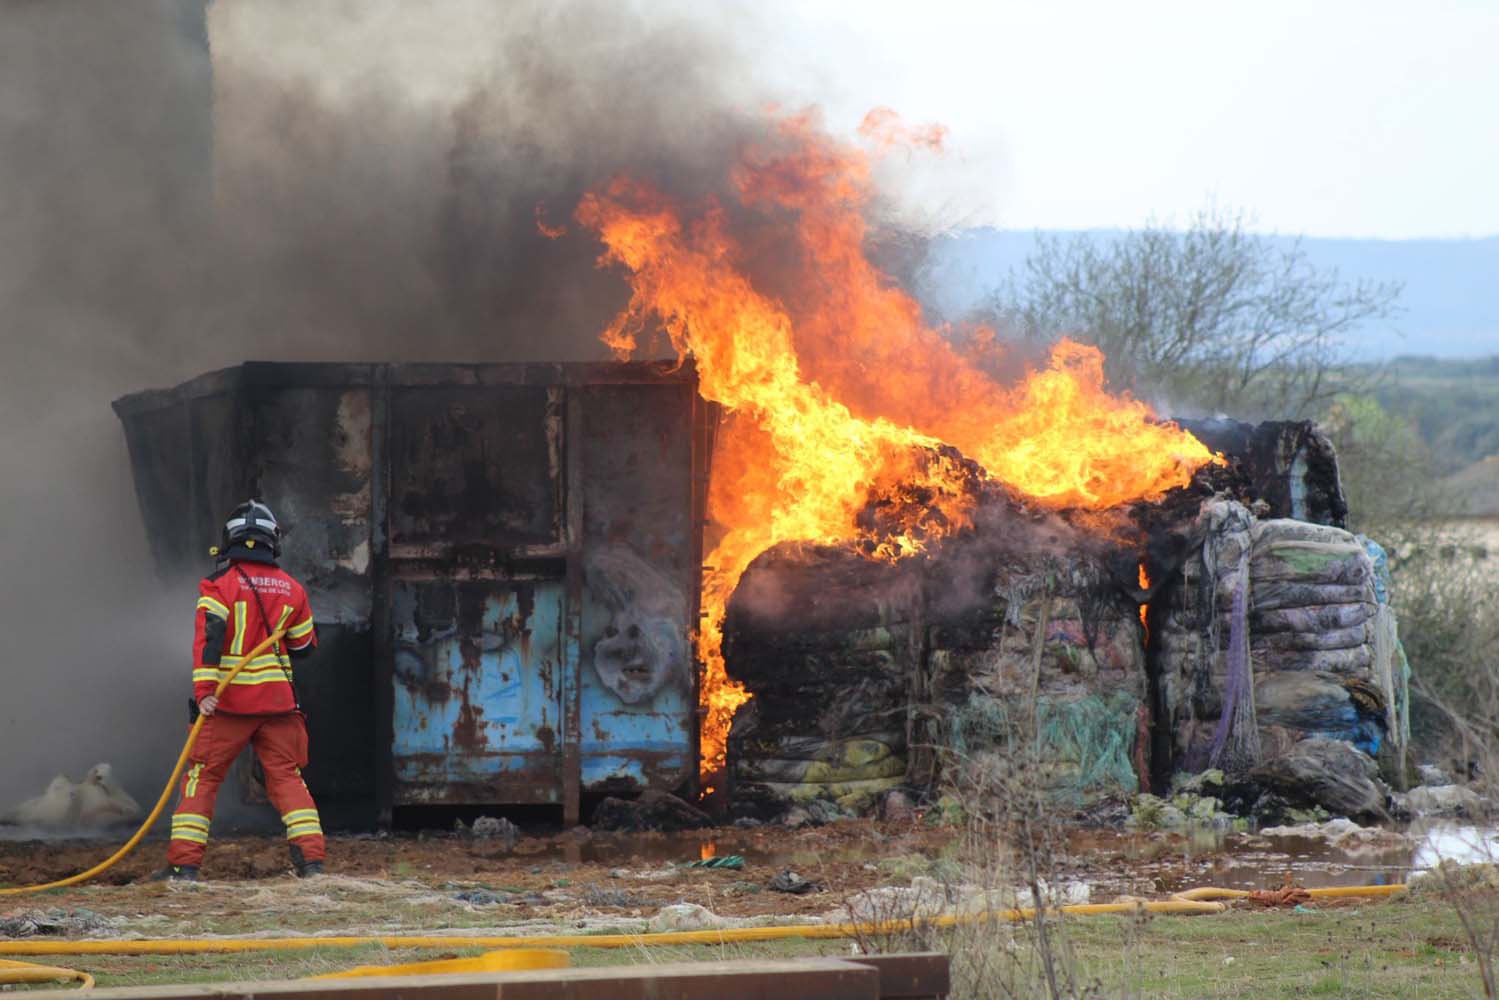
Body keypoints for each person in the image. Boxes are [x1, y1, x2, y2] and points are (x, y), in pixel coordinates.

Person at [155, 500, 324, 882]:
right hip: (278, 706)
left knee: (202, 776)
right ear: (272, 541)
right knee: (287, 778)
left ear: (230, 540)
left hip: (227, 706)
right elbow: (304, 648)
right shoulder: (293, 589)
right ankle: (312, 865)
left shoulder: (218, 587)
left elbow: (208, 641)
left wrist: (206, 692)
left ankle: (185, 868)